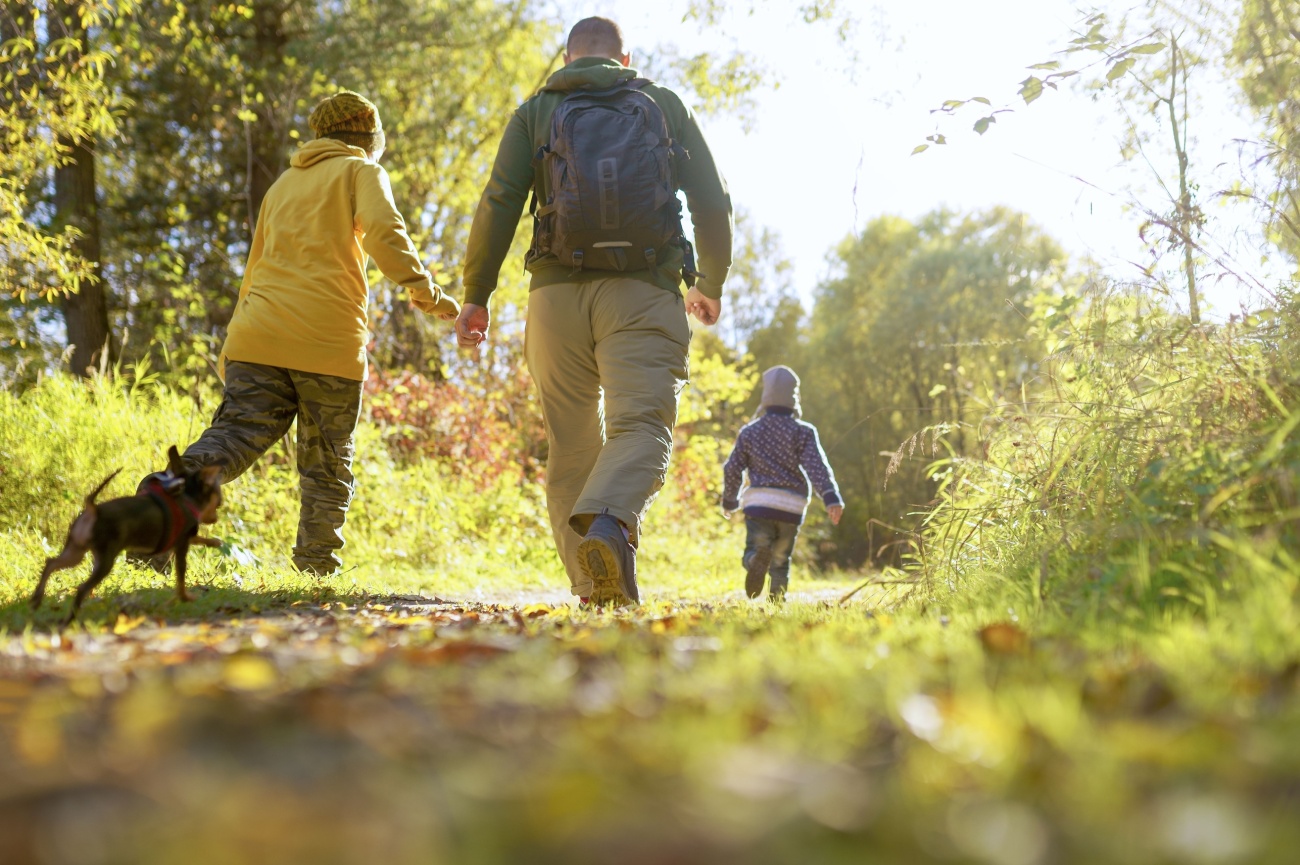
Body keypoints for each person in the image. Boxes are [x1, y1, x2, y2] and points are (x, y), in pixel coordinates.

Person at [458, 17, 734, 606]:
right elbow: (711, 197)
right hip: (643, 289)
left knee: (572, 446)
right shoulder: (660, 104)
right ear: (624, 59)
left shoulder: (535, 112)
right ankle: (607, 525)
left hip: (555, 299)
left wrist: (476, 295)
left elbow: (499, 202)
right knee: (640, 427)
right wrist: (709, 280)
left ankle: (595, 588)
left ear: (567, 58)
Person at [143, 90, 459, 574]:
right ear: (368, 138)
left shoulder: (282, 185)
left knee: (233, 436)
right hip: (326, 342)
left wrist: (232, 344)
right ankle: (315, 569)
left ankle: (166, 497)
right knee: (327, 463)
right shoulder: (362, 171)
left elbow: (254, 269)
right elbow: (384, 233)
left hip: (256, 334)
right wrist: (427, 294)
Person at [721, 366, 844, 601]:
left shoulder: (750, 432)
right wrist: (830, 496)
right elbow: (816, 466)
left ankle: (755, 560)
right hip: (791, 506)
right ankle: (776, 602)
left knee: (755, 549)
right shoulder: (803, 432)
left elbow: (732, 467)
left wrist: (730, 500)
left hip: (759, 505)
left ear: (765, 396)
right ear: (793, 397)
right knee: (780, 559)